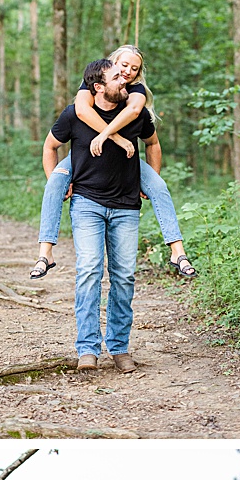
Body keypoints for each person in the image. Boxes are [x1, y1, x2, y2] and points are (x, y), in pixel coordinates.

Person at [32, 44, 193, 282]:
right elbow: (81, 111)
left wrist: (145, 176)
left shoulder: (135, 90)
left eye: (134, 69)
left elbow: (136, 112)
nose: (128, 72)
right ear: (112, 64)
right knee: (55, 181)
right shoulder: (94, 82)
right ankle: (45, 252)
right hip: (82, 161)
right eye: (124, 65)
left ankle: (177, 251)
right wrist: (115, 137)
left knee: (159, 186)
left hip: (126, 174)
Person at [43, 59, 163, 372]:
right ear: (98, 87)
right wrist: (57, 182)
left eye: (128, 75)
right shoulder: (76, 113)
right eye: (117, 77)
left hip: (126, 206)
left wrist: (150, 180)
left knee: (124, 277)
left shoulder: (135, 114)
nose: (125, 81)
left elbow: (153, 143)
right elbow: (50, 145)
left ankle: (119, 347)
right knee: (89, 271)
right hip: (87, 204)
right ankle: (87, 349)